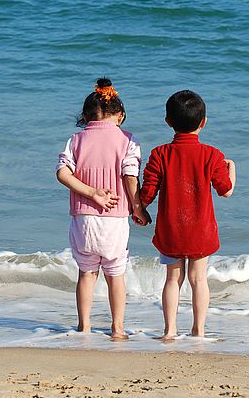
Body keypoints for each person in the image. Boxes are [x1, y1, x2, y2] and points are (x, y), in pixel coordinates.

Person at [56, 77, 150, 340]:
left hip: (83, 218)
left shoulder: (75, 140)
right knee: (115, 274)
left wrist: (91, 193)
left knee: (87, 273)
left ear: (85, 117)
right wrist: (138, 208)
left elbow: (63, 173)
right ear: (120, 115)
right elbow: (131, 176)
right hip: (115, 218)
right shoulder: (127, 140)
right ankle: (117, 328)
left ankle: (83, 326)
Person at [140, 89, 236, 340]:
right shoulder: (212, 155)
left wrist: (138, 210)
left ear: (168, 122)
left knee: (173, 279)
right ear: (203, 123)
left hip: (171, 229)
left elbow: (147, 193)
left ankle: (170, 330)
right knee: (198, 279)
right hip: (200, 231)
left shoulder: (160, 154)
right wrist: (232, 168)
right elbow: (225, 191)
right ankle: (199, 330)